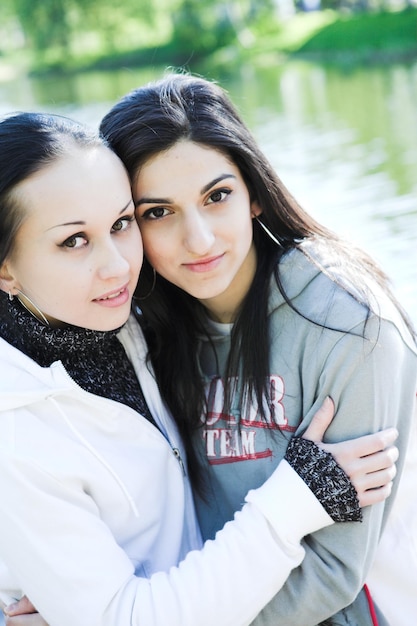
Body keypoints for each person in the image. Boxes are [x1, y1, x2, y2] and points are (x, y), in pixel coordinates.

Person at [0, 111, 398, 626]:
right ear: (5, 268)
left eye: (122, 224)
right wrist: (297, 496)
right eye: (73, 241)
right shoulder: (17, 430)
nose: (119, 265)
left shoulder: (130, 322)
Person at [96, 72, 417, 625]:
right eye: (158, 212)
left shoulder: (346, 322)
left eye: (216, 197)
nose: (198, 240)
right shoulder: (139, 332)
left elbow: (333, 574)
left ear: (254, 196)